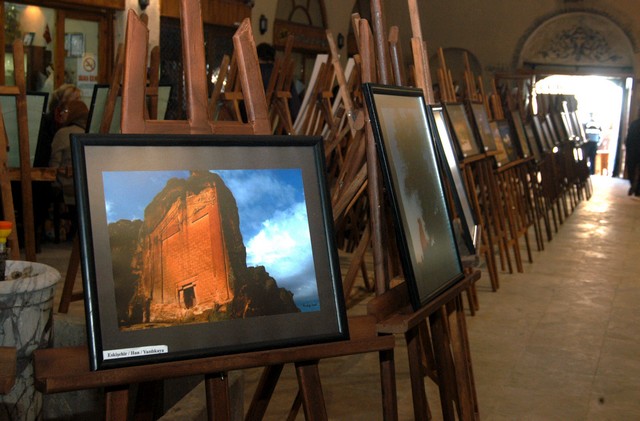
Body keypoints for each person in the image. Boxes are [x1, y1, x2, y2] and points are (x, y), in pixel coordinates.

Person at [49, 99, 89, 239]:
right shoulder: (90, 131)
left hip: (66, 185)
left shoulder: (63, 133)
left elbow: (54, 165)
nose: (63, 115)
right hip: (86, 184)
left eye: (66, 111)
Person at [625, 115, 640, 196]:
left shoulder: (634, 124)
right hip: (633, 151)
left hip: (632, 151)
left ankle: (634, 186)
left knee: (631, 169)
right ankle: (637, 188)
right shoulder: (634, 124)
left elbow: (628, 139)